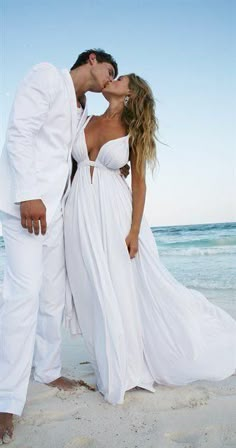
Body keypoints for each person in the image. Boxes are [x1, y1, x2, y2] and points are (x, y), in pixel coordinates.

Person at [64, 74, 236, 405]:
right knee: (89, 287)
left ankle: (125, 369)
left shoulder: (133, 131)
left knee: (121, 285)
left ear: (131, 94)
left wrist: (133, 231)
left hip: (115, 214)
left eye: (121, 78)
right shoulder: (85, 118)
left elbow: (139, 185)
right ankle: (108, 359)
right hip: (78, 212)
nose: (112, 79)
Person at [0, 49, 124, 444]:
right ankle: (6, 400)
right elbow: (19, 131)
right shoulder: (47, 75)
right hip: (27, 208)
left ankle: (48, 369)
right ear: (91, 60)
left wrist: (114, 161)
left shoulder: (81, 106)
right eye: (109, 70)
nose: (110, 78)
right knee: (22, 298)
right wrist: (27, 194)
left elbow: (81, 150)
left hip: (56, 214)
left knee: (53, 296)